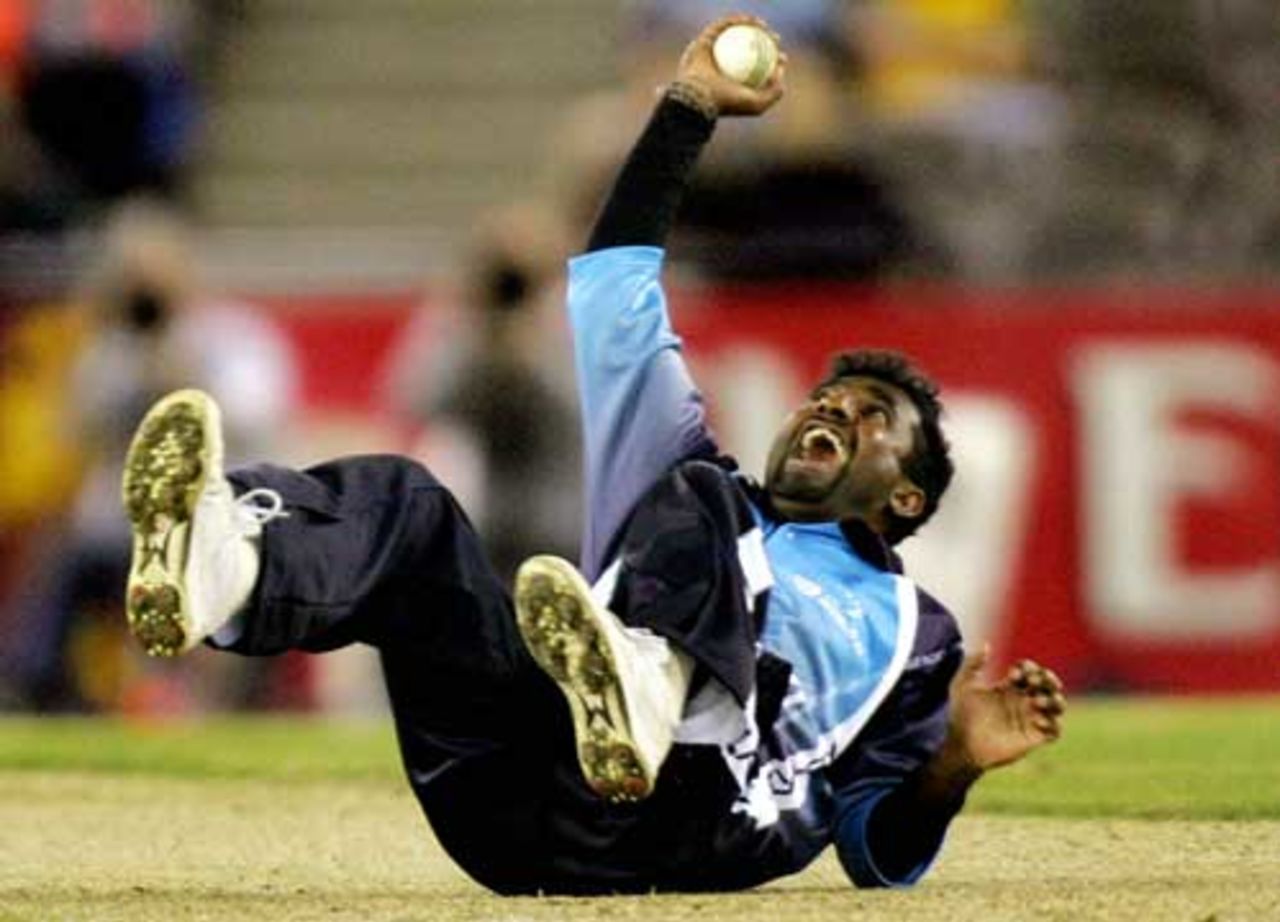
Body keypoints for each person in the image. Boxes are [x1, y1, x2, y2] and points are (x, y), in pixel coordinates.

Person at [119, 15, 1065, 894]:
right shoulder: (697, 491)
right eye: (826, 398)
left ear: (903, 499)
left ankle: (662, 693)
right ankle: (224, 565)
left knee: (700, 495)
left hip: (688, 816)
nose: (832, 410)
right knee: (409, 505)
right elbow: (616, 287)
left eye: (870, 418)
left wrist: (952, 763)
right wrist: (686, 108)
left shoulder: (914, 633)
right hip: (518, 800)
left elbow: (875, 849)